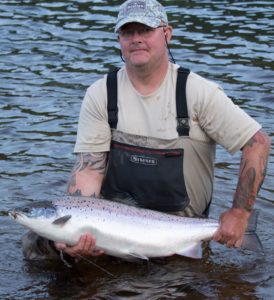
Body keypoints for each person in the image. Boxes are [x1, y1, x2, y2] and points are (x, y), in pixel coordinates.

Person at [22, 0, 270, 260]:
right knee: (39, 242)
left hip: (179, 232)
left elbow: (258, 143)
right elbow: (88, 170)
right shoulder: (101, 93)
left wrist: (239, 214)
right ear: (119, 39)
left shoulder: (198, 92)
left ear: (167, 34)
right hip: (113, 229)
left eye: (145, 30)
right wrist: (71, 236)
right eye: (128, 32)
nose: (136, 39)